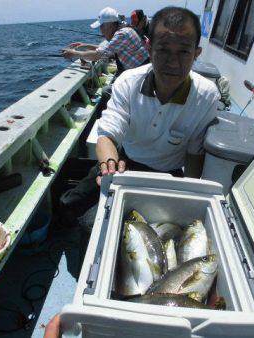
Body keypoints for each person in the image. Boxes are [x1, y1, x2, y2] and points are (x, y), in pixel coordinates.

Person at [60, 6, 220, 257]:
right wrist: (109, 167)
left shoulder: (207, 96)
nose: (173, 63)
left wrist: (190, 197)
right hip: (123, 162)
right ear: (149, 48)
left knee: (104, 227)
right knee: (71, 203)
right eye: (163, 51)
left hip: (169, 174)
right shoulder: (127, 82)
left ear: (196, 53)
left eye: (184, 53)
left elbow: (194, 154)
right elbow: (108, 135)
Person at [61, 7, 149, 76]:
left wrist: (74, 53)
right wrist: (84, 45)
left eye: (101, 27)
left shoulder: (122, 34)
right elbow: (106, 49)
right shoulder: (125, 30)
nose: (101, 30)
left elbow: (99, 54)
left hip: (143, 76)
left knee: (106, 92)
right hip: (142, 72)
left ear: (109, 25)